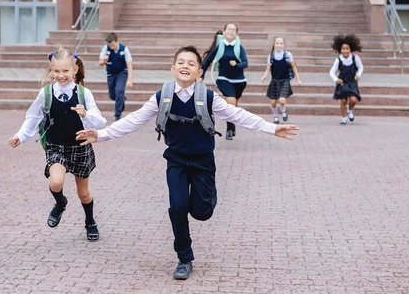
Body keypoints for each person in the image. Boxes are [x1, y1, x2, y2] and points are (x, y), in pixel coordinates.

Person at [76, 46, 299, 280]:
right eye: (180, 62)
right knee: (178, 208)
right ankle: (184, 258)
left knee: (202, 213)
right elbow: (134, 120)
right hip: (177, 160)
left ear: (199, 72)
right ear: (173, 69)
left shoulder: (209, 97)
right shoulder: (162, 97)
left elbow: (239, 115)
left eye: (191, 63)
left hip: (203, 161)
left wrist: (272, 129)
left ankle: (208, 196)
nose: (185, 66)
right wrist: (102, 134)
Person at [8, 48, 107, 241]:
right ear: (51, 70)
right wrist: (21, 135)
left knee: (83, 193)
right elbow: (33, 116)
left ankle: (90, 221)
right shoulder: (45, 93)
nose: (61, 76)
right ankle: (60, 203)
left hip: (80, 146)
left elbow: (100, 122)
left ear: (75, 70)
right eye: (57, 71)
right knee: (55, 182)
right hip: (56, 146)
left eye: (65, 71)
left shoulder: (83, 93)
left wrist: (86, 114)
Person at [199, 23, 248, 140]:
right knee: (230, 101)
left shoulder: (239, 47)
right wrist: (202, 75)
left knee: (234, 105)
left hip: (239, 81)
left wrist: (237, 64)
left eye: (233, 30)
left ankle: (232, 124)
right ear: (224, 32)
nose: (231, 32)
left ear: (236, 33)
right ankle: (230, 128)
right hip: (224, 79)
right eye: (228, 29)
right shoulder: (220, 46)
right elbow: (207, 61)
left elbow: (245, 63)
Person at [260, 36, 303, 124]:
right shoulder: (271, 57)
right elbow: (268, 69)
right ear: (274, 44)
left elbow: (294, 67)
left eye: (281, 43)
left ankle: (283, 110)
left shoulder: (287, 55)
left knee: (282, 100)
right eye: (277, 43)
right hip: (274, 81)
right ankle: (275, 116)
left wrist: (298, 79)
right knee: (273, 102)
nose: (279, 45)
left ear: (284, 45)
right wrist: (264, 76)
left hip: (284, 81)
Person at [329, 34, 364, 125]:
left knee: (353, 100)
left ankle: (349, 110)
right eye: (343, 49)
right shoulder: (338, 60)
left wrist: (358, 75)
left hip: (352, 82)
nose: (345, 50)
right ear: (340, 50)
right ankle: (343, 118)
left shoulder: (355, 58)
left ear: (350, 49)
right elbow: (331, 72)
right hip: (342, 82)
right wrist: (336, 79)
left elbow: (361, 68)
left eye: (347, 48)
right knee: (343, 100)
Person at [99, 32, 133, 121]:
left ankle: (117, 115)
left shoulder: (124, 49)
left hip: (122, 73)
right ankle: (122, 99)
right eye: (110, 46)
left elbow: (129, 64)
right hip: (111, 74)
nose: (112, 47)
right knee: (112, 95)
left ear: (117, 41)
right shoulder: (106, 49)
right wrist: (104, 61)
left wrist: (129, 79)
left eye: (113, 45)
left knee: (119, 90)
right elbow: (100, 63)